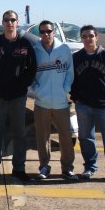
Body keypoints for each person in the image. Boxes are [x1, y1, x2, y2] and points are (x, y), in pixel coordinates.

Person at [0, 10, 37, 181]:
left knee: (19, 133)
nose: (10, 23)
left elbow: (31, 68)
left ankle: (19, 168)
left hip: (18, 96)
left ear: (17, 22)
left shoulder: (25, 44)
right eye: (7, 20)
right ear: (2, 22)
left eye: (12, 20)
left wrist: (22, 84)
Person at [70, 25, 105, 184]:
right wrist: (77, 98)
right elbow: (73, 81)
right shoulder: (77, 58)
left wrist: (104, 95)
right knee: (86, 138)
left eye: (90, 36)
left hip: (104, 106)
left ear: (96, 37)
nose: (87, 39)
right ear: (81, 39)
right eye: (84, 36)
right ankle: (90, 167)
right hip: (83, 105)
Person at [31, 20, 77, 181]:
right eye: (42, 32)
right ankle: (44, 166)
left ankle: (67, 168)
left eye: (48, 31)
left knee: (65, 136)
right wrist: (37, 91)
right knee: (42, 136)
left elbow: (70, 72)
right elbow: (30, 74)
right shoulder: (35, 50)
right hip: (41, 102)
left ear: (54, 32)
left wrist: (65, 90)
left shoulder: (64, 49)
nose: (45, 34)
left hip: (60, 102)